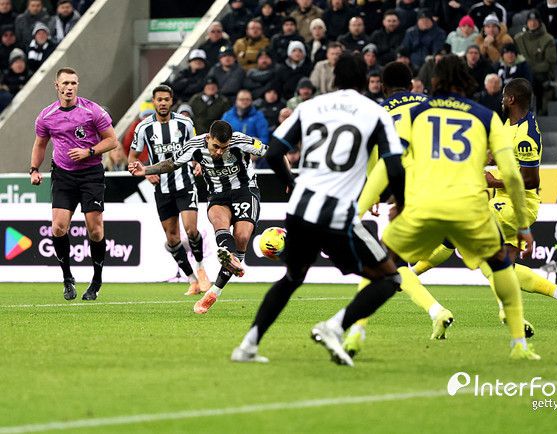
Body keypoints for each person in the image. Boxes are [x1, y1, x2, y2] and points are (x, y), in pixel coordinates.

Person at [231, 53, 406, 366]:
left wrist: (292, 183)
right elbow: (394, 165)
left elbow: (274, 151)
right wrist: (401, 204)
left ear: (334, 78)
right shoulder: (375, 112)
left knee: (292, 277)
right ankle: (334, 327)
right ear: (366, 79)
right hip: (336, 214)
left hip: (300, 209)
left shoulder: (310, 106)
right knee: (389, 278)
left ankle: (247, 346)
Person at [361, 56, 540, 359]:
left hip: (425, 200)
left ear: (433, 81)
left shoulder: (418, 113)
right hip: (469, 204)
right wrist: (523, 225)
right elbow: (512, 175)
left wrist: (368, 200)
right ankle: (519, 344)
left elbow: (387, 160)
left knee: (385, 263)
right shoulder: (485, 116)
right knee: (499, 265)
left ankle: (357, 330)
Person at [409, 77, 557, 334]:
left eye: (504, 96)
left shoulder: (527, 134)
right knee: (504, 269)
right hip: (504, 202)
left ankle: (409, 275)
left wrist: (494, 181)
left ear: (511, 99)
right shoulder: (508, 125)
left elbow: (531, 180)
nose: (501, 100)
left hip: (517, 206)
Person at [343, 61, 452, 357]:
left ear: (383, 86)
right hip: (449, 188)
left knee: (378, 261)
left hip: (411, 190)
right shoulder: (431, 105)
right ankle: (437, 311)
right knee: (491, 262)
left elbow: (374, 154)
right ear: (413, 83)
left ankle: (356, 331)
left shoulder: (379, 111)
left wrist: (373, 192)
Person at [129, 120, 268, 314]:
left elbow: (272, 152)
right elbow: (172, 163)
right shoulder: (195, 145)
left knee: (242, 237)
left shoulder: (241, 140)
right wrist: (146, 170)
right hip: (218, 194)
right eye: (216, 146)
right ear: (208, 138)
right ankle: (229, 256)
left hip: (245, 191)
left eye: (224, 147)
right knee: (219, 222)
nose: (219, 152)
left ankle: (215, 290)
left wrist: (288, 178)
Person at [30, 67, 118, 300]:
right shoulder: (46, 116)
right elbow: (40, 144)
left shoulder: (92, 111)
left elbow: (112, 140)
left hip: (91, 174)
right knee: (58, 227)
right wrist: (34, 169)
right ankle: (67, 279)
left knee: (95, 230)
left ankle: (96, 281)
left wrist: (89, 151)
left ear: (77, 85)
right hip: (63, 175)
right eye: (65, 83)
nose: (69, 87)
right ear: (57, 86)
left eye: (73, 83)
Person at [129, 85, 211, 296]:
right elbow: (132, 158)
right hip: (162, 189)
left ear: (172, 101)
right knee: (172, 238)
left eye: (166, 99)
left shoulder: (185, 123)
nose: (163, 103)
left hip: (185, 184)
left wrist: (198, 162)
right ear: (154, 102)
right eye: (159, 100)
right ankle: (191, 279)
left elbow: (195, 148)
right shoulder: (143, 127)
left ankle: (201, 269)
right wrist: (146, 173)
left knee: (191, 230)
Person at [514, 10, 556, 113]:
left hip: (541, 73)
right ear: (526, 23)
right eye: (530, 21)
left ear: (540, 22)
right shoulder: (519, 39)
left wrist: (530, 69)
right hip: (522, 72)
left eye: (535, 21)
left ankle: (537, 108)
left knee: (533, 81)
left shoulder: (548, 39)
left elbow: (549, 63)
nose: (532, 23)